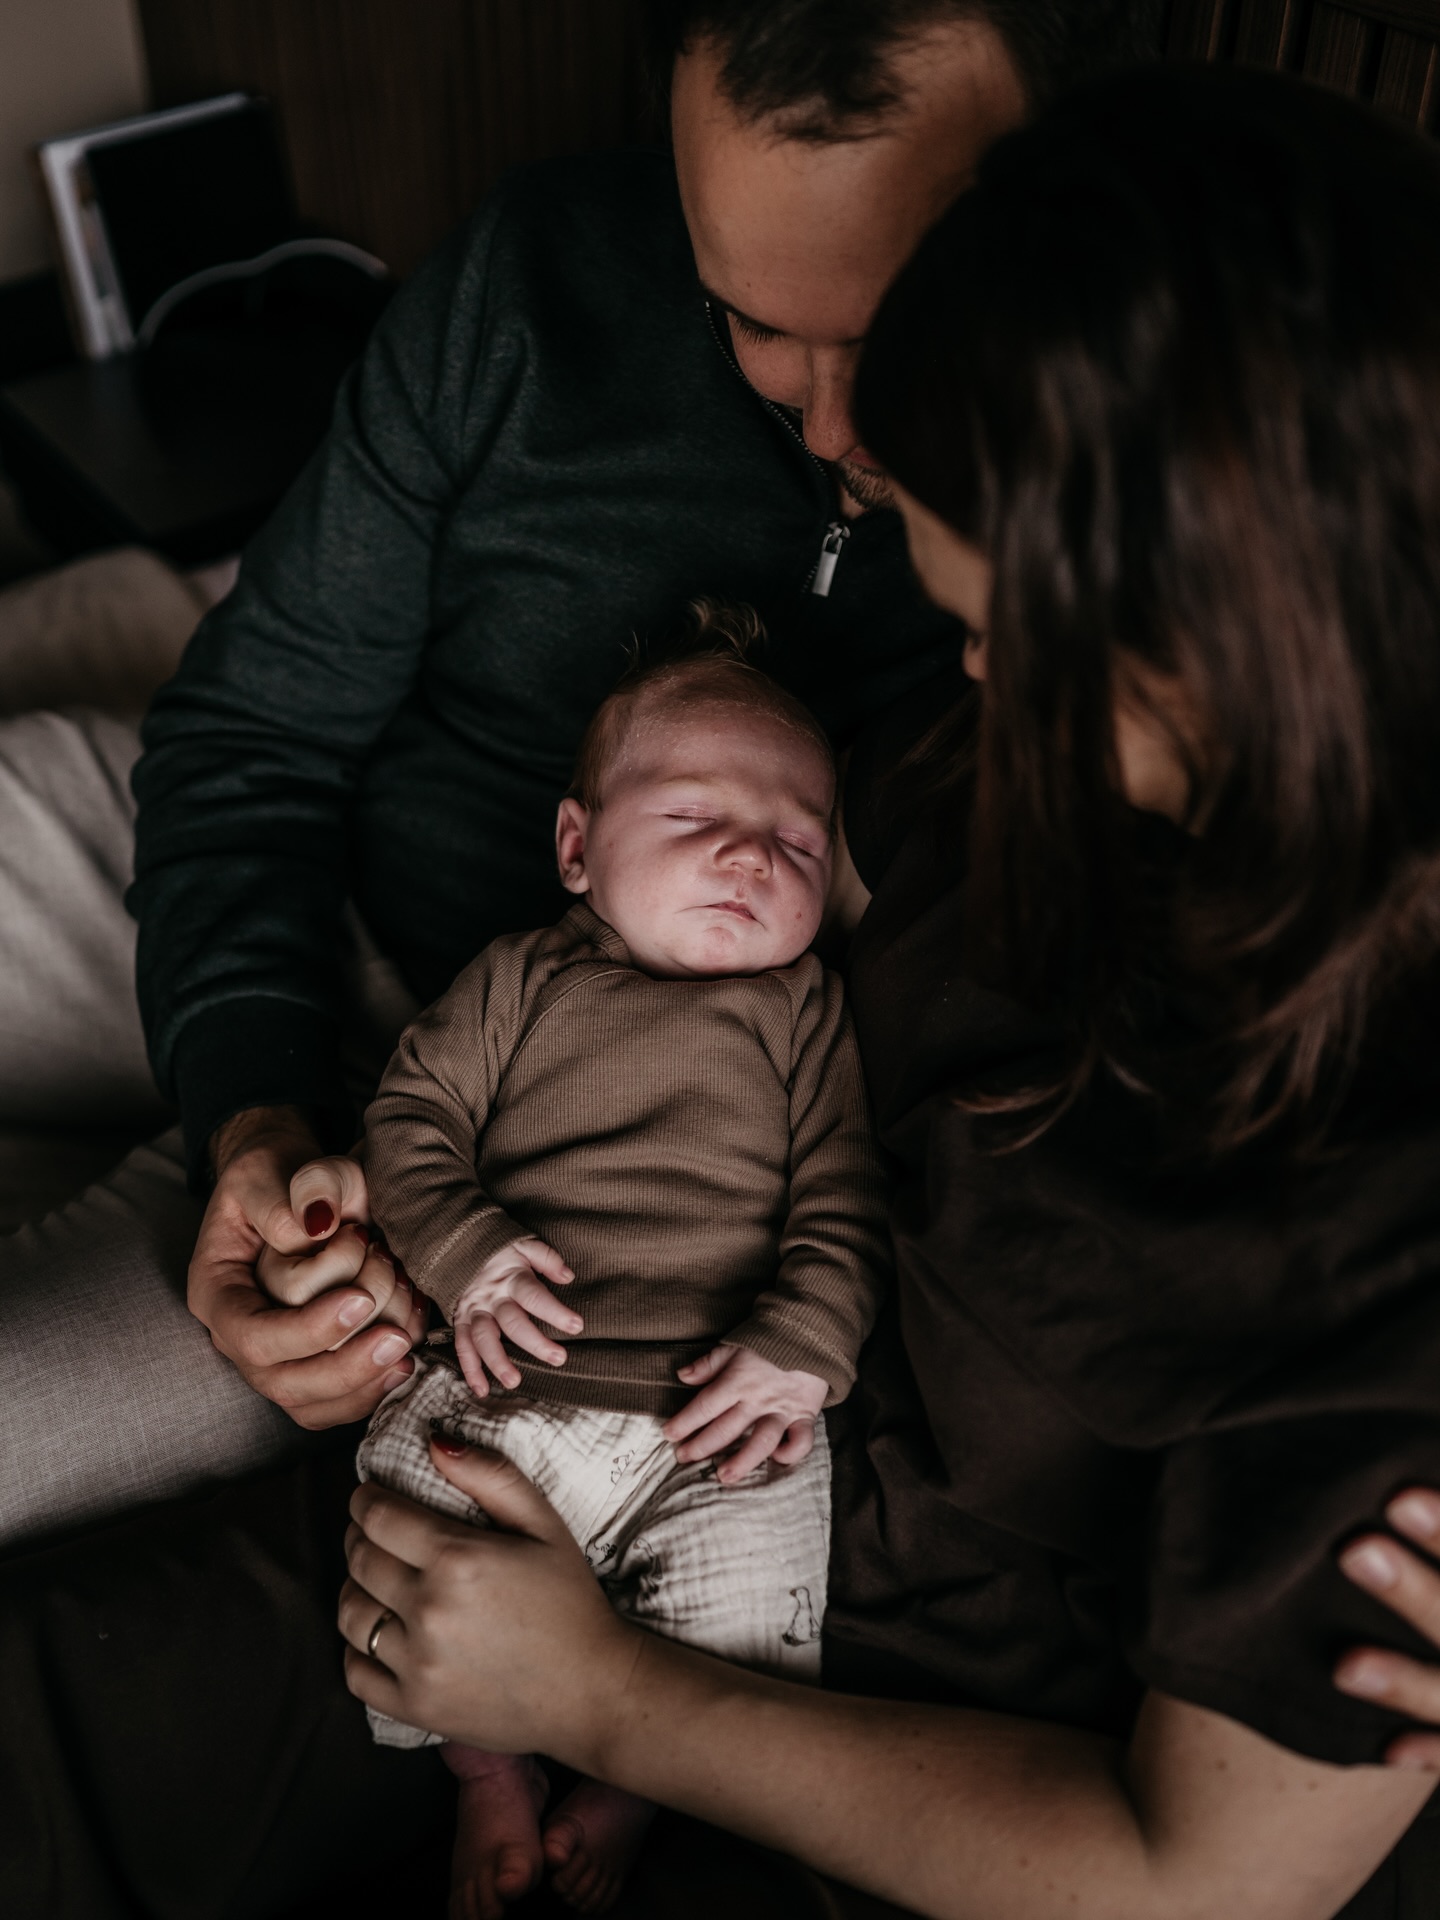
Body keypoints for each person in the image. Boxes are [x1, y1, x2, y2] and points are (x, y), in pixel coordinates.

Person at [337, 65, 1440, 1920]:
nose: (975, 669)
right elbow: (650, 918)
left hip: (837, 1740)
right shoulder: (1008, 776)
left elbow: (1189, 1888)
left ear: (1221, 619)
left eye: (1009, 621)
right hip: (601, 1461)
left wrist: (603, 1699)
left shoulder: (1373, 1241)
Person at [0, 0, 1158, 1550]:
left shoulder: (1146, 476)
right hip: (313, 881)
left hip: (514, 1182)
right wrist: (248, 1118)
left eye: (892, 336)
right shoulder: (536, 274)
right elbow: (250, 734)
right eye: (751, 321)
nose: (830, 429)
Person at [337, 631, 887, 1914]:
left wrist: (802, 1347)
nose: (751, 856)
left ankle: (638, 1787)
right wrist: (466, 1256)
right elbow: (409, 1124)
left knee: (758, 1622)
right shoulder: (522, 979)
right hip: (513, 1388)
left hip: (718, 1421)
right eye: (697, 816)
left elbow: (847, 1202)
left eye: (798, 843)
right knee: (411, 1521)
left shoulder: (808, 1013)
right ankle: (487, 1773)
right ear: (578, 847)